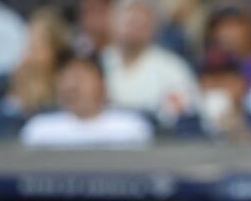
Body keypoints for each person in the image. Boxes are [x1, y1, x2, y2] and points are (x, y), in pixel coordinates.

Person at [100, 0, 200, 122]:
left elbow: (185, 114)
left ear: (154, 27)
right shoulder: (97, 62)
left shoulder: (172, 67)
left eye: (140, 19)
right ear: (112, 21)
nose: (134, 23)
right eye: (129, 17)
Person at [20, 54, 153, 147]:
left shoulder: (130, 128)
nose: (72, 85)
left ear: (102, 85)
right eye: (66, 78)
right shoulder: (40, 129)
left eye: (80, 77)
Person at [5, 7, 73, 116]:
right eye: (30, 45)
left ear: (57, 49)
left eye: (40, 45)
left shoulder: (70, 86)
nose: (32, 54)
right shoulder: (19, 79)